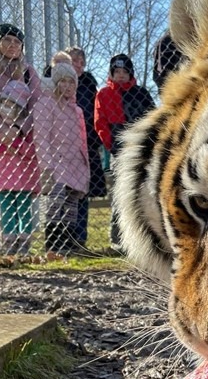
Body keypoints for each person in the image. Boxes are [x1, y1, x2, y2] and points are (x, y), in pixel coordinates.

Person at [0, 23, 42, 253]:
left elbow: (36, 105)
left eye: (17, 42)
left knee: (18, 194)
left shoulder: (28, 71)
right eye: (8, 40)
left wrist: (20, 130)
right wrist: (4, 133)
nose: (12, 46)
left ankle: (16, 244)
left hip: (21, 136)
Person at [94, 53, 155, 249]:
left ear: (130, 74)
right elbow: (100, 122)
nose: (120, 75)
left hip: (141, 150)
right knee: (121, 194)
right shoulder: (104, 94)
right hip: (118, 152)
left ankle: (143, 239)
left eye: (124, 72)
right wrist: (111, 145)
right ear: (111, 73)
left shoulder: (141, 94)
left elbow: (152, 119)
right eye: (116, 71)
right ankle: (117, 239)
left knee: (144, 193)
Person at [33, 58, 89, 258]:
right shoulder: (45, 104)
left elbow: (82, 142)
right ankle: (53, 247)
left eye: (71, 82)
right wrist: (46, 167)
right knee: (54, 205)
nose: (67, 86)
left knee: (71, 207)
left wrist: (85, 168)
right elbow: (41, 138)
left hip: (74, 163)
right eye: (63, 81)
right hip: (55, 163)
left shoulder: (76, 110)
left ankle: (69, 246)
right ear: (55, 82)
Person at [66, 46, 107, 248]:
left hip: (86, 145)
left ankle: (80, 237)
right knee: (64, 193)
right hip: (63, 146)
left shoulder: (89, 83)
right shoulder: (54, 81)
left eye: (81, 62)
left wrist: (94, 139)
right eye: (74, 61)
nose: (79, 65)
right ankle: (62, 237)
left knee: (83, 192)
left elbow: (96, 114)